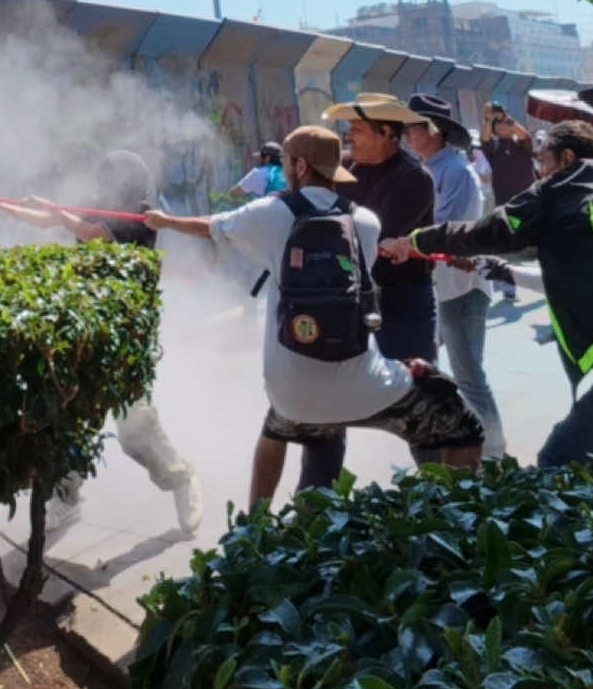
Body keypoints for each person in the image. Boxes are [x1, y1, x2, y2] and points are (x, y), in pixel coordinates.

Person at [142, 126, 483, 507]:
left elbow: (211, 228)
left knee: (278, 423)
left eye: (288, 161)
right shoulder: (366, 222)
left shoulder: (269, 214)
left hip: (291, 394)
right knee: (462, 423)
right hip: (364, 387)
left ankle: (254, 528)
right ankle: (451, 513)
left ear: (299, 165)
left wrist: (164, 221)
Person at [380, 120, 593, 468]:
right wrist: (501, 269)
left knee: (561, 466)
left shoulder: (563, 187)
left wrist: (414, 242)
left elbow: (489, 231)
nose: (539, 172)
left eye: (542, 161)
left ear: (566, 158)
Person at [0, 150, 204, 535]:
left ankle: (181, 479)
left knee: (136, 429)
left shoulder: (144, 219)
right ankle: (66, 498)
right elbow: (48, 220)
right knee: (69, 414)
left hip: (127, 332)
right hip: (85, 327)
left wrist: (58, 210)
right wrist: (0, 204)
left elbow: (92, 236)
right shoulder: (99, 207)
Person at [404, 95, 507, 459]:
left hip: (462, 287)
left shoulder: (456, 172)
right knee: (460, 373)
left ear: (434, 131)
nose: (408, 133)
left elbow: (449, 228)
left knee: (468, 374)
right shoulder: (433, 169)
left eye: (414, 126)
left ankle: (493, 452)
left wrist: (407, 237)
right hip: (444, 286)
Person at [321, 94, 438, 362]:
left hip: (402, 299)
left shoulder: (413, 178)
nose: (348, 138)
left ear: (385, 133)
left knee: (411, 385)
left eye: (356, 130)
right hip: (354, 295)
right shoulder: (346, 169)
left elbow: (374, 235)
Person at [480, 101, 535, 205]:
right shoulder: (494, 147)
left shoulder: (522, 145)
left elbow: (524, 135)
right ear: (493, 129)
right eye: (497, 124)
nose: (501, 125)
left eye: (505, 123)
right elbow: (484, 139)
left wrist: (505, 117)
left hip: (528, 200)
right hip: (505, 203)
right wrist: (488, 120)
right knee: (510, 222)